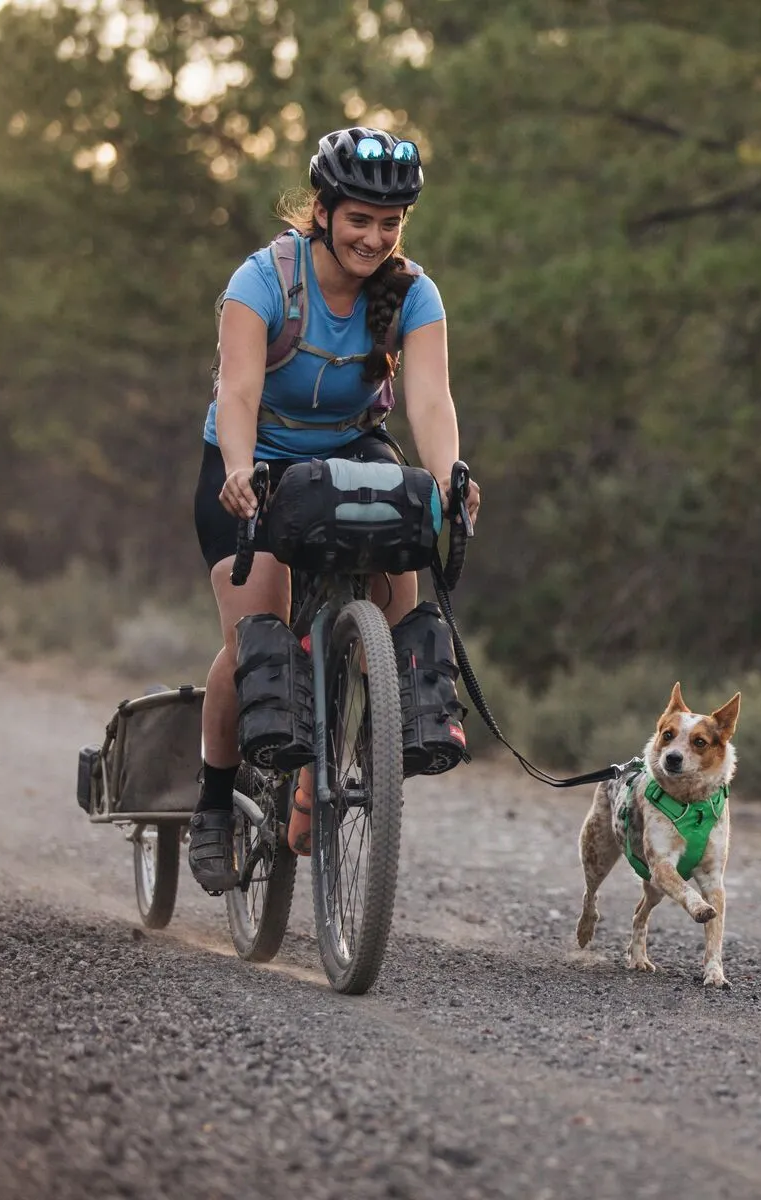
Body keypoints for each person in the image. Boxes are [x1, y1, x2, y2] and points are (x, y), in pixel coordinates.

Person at [188, 125, 482, 894]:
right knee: (254, 633)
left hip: (352, 450)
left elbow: (428, 398)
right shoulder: (263, 281)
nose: (374, 238)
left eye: (390, 224)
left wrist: (450, 478)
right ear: (322, 211)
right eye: (359, 220)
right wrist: (241, 468)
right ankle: (215, 802)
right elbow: (239, 390)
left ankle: (352, 753)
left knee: (401, 594)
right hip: (252, 461)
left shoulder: (413, 292)